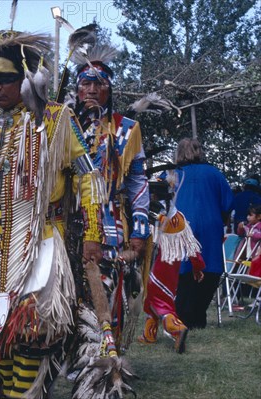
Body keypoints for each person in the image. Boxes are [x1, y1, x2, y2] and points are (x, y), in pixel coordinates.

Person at [0, 7, 141, 396]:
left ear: (26, 79)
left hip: (40, 241)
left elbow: (88, 177)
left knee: (33, 329)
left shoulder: (57, 120)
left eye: (5, 80)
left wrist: (93, 233)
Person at [69, 33, 150, 349]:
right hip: (68, 219)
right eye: (85, 83)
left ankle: (104, 352)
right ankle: (74, 354)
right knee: (69, 289)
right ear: (76, 88)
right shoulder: (64, 124)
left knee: (104, 287)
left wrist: (141, 228)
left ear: (109, 89)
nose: (91, 89)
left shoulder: (126, 128)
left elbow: (137, 181)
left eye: (98, 83)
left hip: (110, 220)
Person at [170, 138, 233, 329]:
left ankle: (183, 315)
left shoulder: (174, 174)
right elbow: (228, 202)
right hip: (210, 224)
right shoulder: (215, 173)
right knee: (210, 268)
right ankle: (197, 316)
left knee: (183, 269)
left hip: (180, 226)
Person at [139, 175, 205, 353]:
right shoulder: (179, 216)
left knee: (159, 301)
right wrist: (197, 268)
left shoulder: (151, 214)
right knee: (154, 299)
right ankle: (149, 335)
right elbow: (192, 246)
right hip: (172, 268)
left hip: (155, 263)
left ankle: (177, 329)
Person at [237, 205, 261, 277]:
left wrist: (253, 234)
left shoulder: (259, 226)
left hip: (256, 253)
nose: (248, 217)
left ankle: (250, 282)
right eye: (247, 215)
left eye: (250, 215)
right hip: (248, 252)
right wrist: (240, 228)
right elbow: (240, 234)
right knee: (247, 267)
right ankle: (245, 281)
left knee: (253, 270)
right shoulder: (248, 225)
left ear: (259, 217)